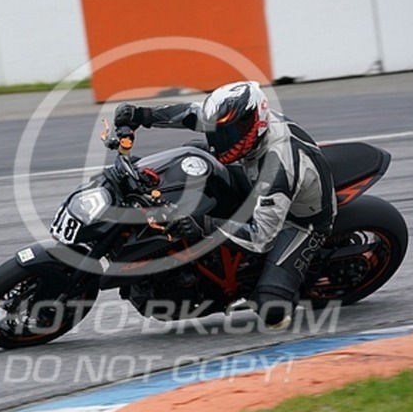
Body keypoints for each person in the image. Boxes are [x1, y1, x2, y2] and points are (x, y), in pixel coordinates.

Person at [114, 81, 337, 330]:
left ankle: (274, 284)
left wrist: (205, 224)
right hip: (255, 177)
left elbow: (261, 238)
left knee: (272, 310)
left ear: (255, 124)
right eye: (217, 133)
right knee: (193, 153)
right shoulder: (234, 121)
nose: (219, 142)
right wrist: (140, 115)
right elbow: (186, 114)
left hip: (300, 221)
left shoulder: (278, 166)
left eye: (228, 135)